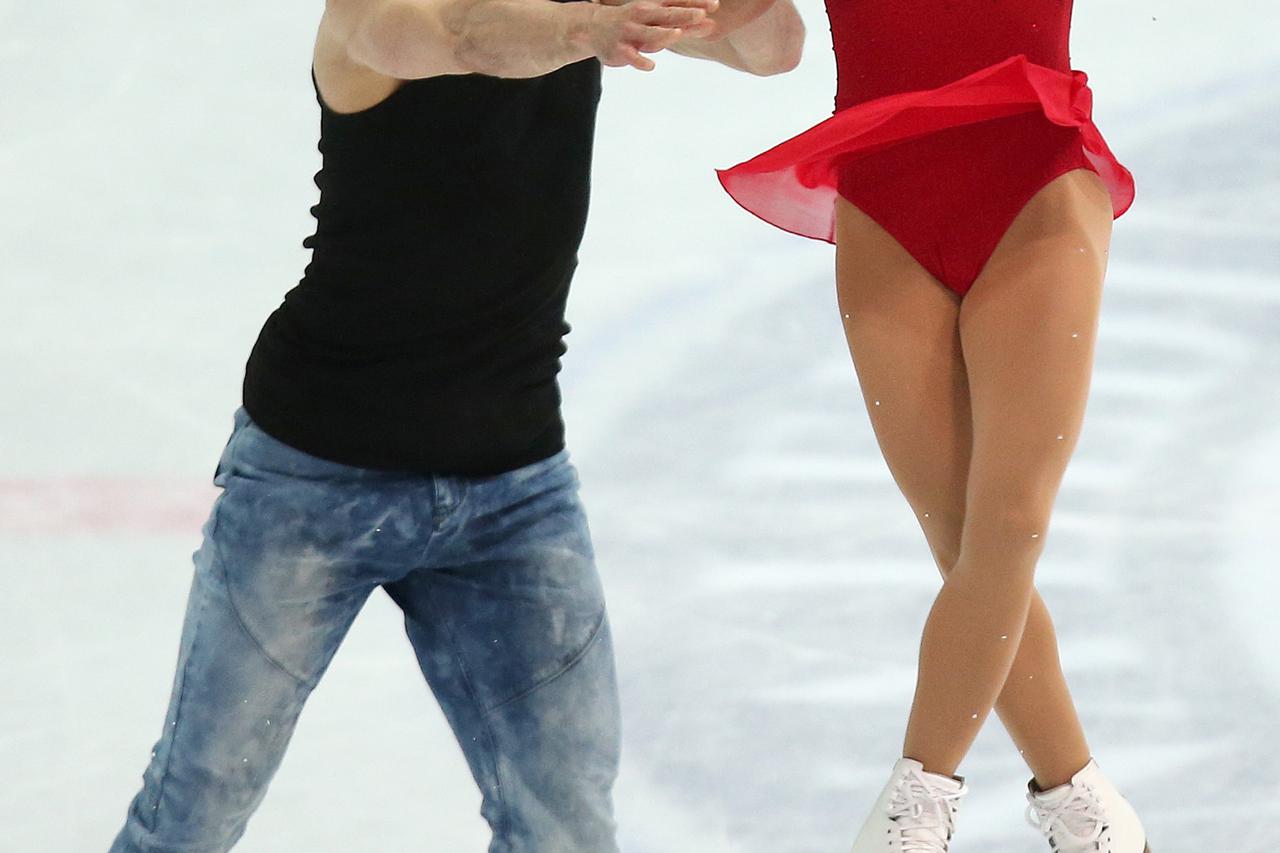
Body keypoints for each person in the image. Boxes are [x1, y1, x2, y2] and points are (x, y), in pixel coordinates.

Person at [108, 1, 803, 851]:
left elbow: (773, 49)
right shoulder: (375, 12)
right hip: (313, 478)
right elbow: (466, 37)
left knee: (568, 830)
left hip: (516, 487)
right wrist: (589, 32)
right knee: (193, 811)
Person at [717, 2, 1148, 852]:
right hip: (887, 194)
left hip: (1034, 174)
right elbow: (765, 42)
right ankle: (1081, 801)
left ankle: (919, 795)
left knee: (1011, 519)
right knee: (962, 535)